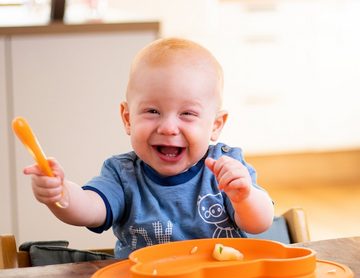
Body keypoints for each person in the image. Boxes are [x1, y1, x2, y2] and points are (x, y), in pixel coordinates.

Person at [24, 37, 274, 259]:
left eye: (187, 113)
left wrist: (245, 197)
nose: (168, 127)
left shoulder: (225, 166)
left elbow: (259, 223)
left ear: (215, 125)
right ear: (128, 118)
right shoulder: (122, 174)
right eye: (153, 111)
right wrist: (61, 194)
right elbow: (90, 209)